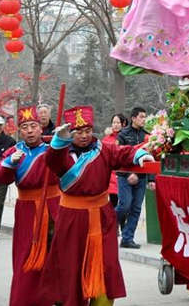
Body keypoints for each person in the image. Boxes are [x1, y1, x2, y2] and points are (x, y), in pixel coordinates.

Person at [43, 105, 154, 306]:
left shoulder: (103, 149)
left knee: (106, 265)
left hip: (102, 217)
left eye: (87, 131)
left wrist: (139, 156)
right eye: (78, 132)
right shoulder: (62, 153)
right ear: (70, 133)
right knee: (71, 265)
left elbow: (122, 153)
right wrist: (59, 140)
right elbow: (51, 161)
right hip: (72, 218)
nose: (84, 136)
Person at [0, 105, 60, 306]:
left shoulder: (52, 149)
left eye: (33, 126)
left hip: (54, 206)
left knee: (57, 255)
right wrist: (9, 164)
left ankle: (58, 297)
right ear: (18, 131)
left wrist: (62, 144)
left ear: (41, 128)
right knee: (26, 257)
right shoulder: (14, 152)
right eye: (25, 127)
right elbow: (0, 177)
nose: (30, 131)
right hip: (27, 211)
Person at [116, 107, 148, 249]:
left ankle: (127, 238)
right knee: (125, 205)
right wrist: (130, 174)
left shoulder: (147, 136)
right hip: (124, 176)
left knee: (136, 208)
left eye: (144, 117)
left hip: (141, 177)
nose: (143, 120)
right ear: (133, 118)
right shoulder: (123, 135)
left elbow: (151, 157)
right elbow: (119, 155)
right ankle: (108, 223)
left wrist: (151, 179)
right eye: (141, 117)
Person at [102, 114, 126, 207]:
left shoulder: (126, 138)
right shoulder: (106, 139)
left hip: (123, 173)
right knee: (113, 200)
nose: (115, 125)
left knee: (125, 204)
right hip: (110, 174)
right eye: (114, 122)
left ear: (123, 124)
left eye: (118, 122)